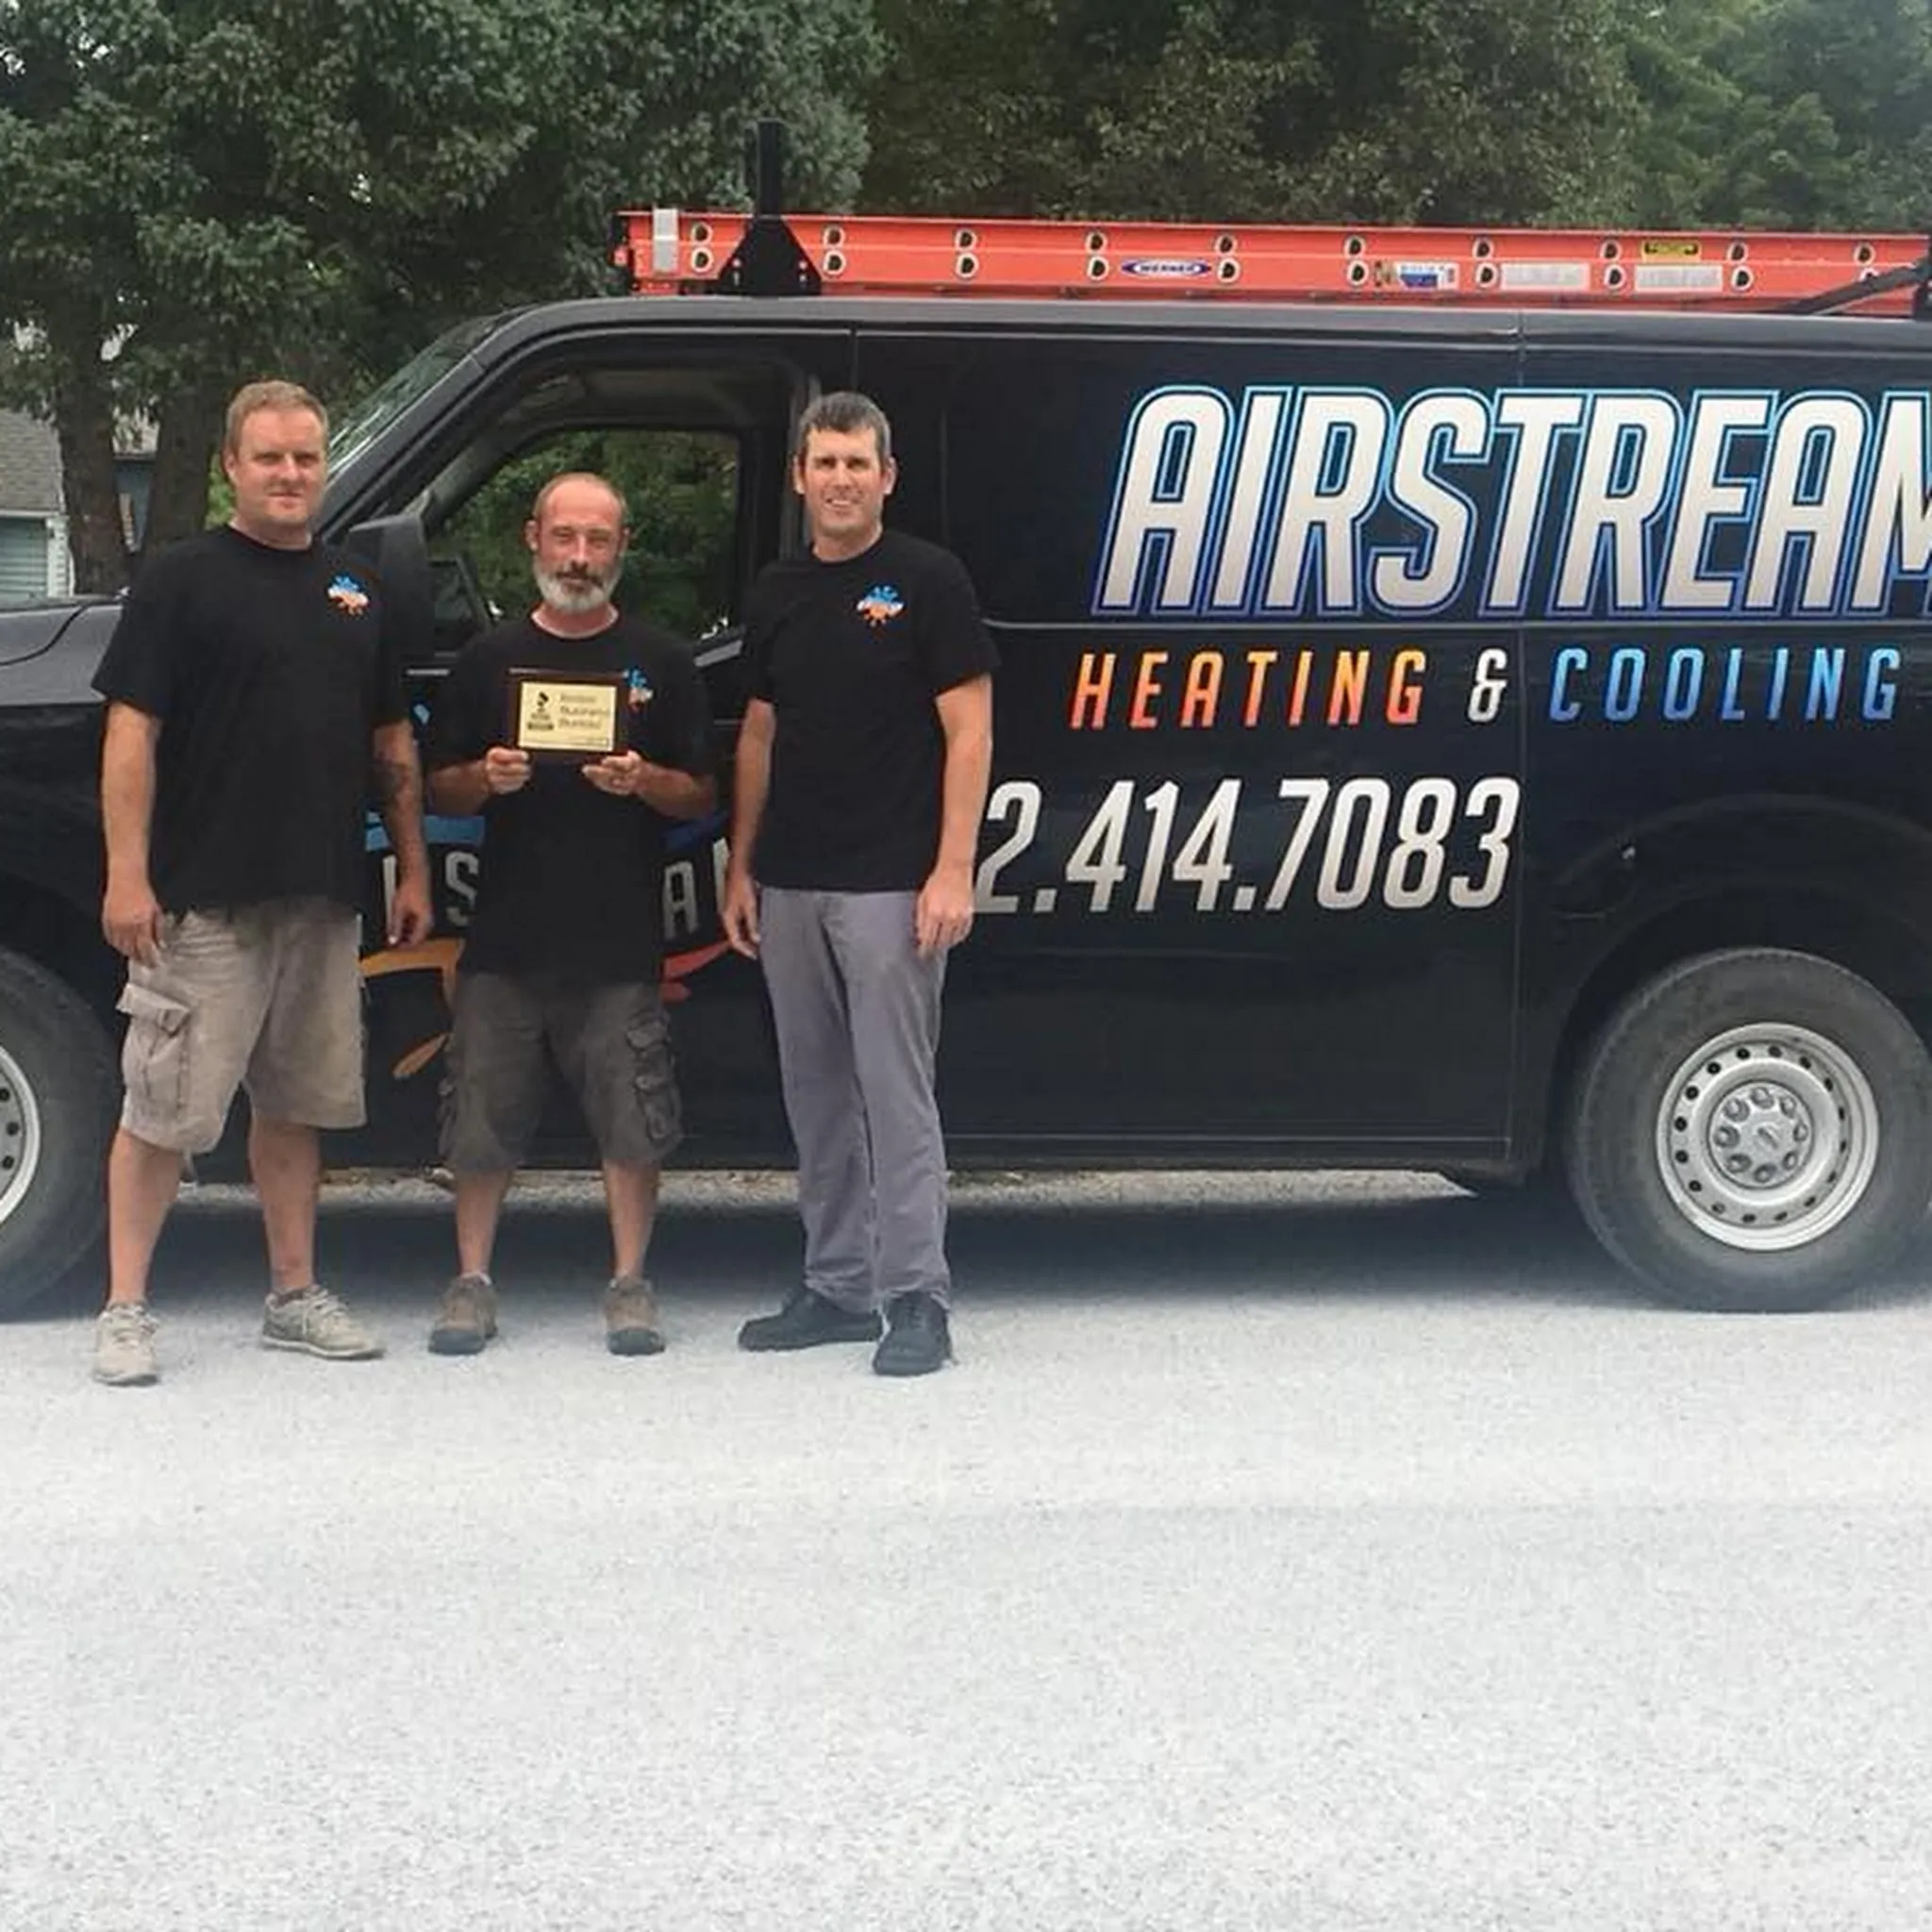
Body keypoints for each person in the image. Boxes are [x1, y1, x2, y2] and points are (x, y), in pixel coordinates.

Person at [91, 378, 432, 1387]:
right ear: (231, 466)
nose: (290, 474)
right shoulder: (180, 581)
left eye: (305, 457)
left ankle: (294, 1294)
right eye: (271, 457)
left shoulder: (356, 590)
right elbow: (130, 732)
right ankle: (124, 1308)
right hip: (203, 901)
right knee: (164, 1111)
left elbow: (391, 740)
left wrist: (412, 863)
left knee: (295, 1108)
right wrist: (126, 874)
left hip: (321, 898)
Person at [723, 392, 996, 1377]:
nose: (840, 479)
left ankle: (916, 1296)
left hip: (890, 881)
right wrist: (742, 863)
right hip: (791, 878)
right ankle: (836, 1284)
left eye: (856, 463)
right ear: (800, 478)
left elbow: (970, 729)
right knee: (816, 1093)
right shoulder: (777, 590)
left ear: (886, 476)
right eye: (825, 463)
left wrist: (951, 869)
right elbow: (759, 733)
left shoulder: (927, 581)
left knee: (894, 1092)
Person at [422, 473, 716, 1356]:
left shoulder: (663, 662)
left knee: (633, 1120)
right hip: (505, 937)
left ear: (622, 547)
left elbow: (702, 792)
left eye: (597, 540)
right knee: (479, 1119)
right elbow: (439, 787)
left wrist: (645, 780)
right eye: (565, 537)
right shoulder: (488, 661)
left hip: (618, 940)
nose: (580, 558)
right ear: (533, 539)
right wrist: (484, 779)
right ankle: (471, 1282)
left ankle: (630, 1284)